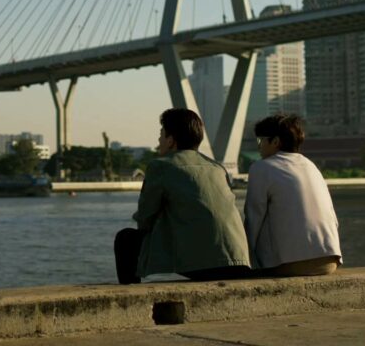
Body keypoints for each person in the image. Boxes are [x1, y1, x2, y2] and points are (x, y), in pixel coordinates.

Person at [114, 108, 251, 284]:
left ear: (171, 140)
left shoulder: (161, 166)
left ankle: (131, 295)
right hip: (239, 261)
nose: (158, 140)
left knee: (126, 239)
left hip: (207, 265)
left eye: (161, 134)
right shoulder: (217, 167)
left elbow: (145, 218)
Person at [244, 113, 342, 276]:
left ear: (275, 142)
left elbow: (253, 218)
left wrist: (243, 259)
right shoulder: (311, 166)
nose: (258, 147)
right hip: (329, 261)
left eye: (260, 141)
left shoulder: (261, 167)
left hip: (290, 264)